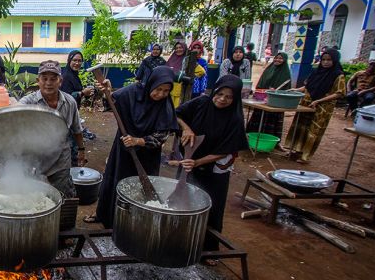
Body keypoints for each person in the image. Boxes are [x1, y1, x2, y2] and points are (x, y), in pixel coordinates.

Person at [174, 75, 249, 261]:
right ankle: (180, 241)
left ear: (235, 99)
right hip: (189, 159)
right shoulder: (201, 103)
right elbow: (177, 114)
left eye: (228, 97)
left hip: (215, 169)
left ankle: (209, 249)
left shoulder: (235, 119)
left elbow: (226, 150)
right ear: (214, 90)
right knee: (182, 199)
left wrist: (198, 163)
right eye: (220, 93)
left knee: (210, 206)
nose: (222, 99)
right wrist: (186, 129)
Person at [92, 66, 179, 227]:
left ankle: (130, 223)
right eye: (158, 89)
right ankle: (106, 215)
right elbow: (112, 103)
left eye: (166, 91)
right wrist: (108, 91)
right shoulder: (133, 91)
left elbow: (162, 136)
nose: (161, 94)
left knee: (140, 189)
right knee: (114, 181)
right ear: (151, 84)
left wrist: (139, 141)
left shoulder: (165, 105)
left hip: (147, 155)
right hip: (123, 149)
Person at [18, 60, 85, 197]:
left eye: (53, 79)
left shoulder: (69, 102)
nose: (49, 83)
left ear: (60, 81)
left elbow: (77, 129)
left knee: (61, 194)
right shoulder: (28, 102)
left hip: (60, 155)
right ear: (38, 81)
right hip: (34, 155)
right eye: (45, 79)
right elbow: (15, 113)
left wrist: (81, 150)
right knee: (32, 195)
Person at [283, 47, 346, 163]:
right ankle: (295, 150)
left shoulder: (338, 75)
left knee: (313, 131)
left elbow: (339, 93)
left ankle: (305, 156)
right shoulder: (316, 71)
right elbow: (308, 86)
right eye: (324, 60)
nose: (326, 62)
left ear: (335, 61)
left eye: (329, 60)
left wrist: (319, 101)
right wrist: (296, 89)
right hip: (307, 104)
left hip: (322, 108)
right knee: (301, 127)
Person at [246, 51, 291, 141]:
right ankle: (251, 138)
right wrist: (259, 91)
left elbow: (287, 90)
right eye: (276, 58)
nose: (278, 60)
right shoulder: (268, 69)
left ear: (284, 60)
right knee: (259, 118)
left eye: (280, 58)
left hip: (276, 102)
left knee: (273, 120)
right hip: (262, 100)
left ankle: (271, 141)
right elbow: (261, 82)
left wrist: (276, 92)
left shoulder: (286, 74)